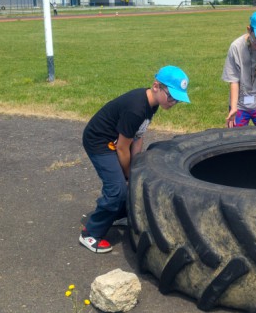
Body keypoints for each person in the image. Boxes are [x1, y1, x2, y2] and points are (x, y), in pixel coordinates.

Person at [79, 65, 190, 253]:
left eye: (177, 100)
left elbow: (138, 137)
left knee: (132, 180)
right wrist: (129, 174)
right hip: (99, 141)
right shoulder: (136, 108)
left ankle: (118, 214)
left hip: (116, 140)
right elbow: (122, 148)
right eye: (171, 96)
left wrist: (135, 168)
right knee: (117, 190)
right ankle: (91, 233)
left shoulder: (152, 105)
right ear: (156, 86)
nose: (173, 102)